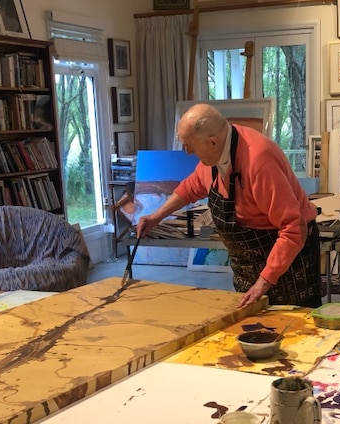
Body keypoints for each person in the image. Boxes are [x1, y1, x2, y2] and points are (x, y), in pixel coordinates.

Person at [136, 103, 322, 309]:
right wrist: (156, 216)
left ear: (212, 142)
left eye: (190, 145)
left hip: (288, 255)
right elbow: (191, 187)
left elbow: (293, 229)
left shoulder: (258, 161)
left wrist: (264, 282)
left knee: (294, 327)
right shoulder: (214, 156)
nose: (187, 152)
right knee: (253, 326)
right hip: (248, 259)